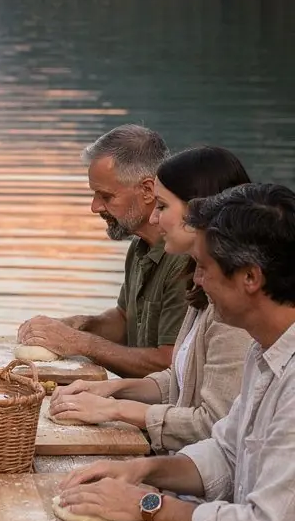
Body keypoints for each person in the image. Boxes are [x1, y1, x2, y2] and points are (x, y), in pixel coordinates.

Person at [56, 183, 295, 521]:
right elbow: (224, 451)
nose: (197, 279)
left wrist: (148, 505)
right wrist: (141, 469)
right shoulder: (267, 353)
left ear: (251, 278)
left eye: (206, 268)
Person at [50, 147, 252, 451]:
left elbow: (214, 426)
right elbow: (181, 380)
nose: (155, 219)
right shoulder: (201, 288)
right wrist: (111, 388)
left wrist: (116, 409)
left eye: (162, 206)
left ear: (198, 214)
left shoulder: (233, 312)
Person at [18, 125, 190, 375]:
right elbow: (124, 319)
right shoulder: (139, 247)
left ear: (147, 190)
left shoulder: (183, 258)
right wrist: (77, 325)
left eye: (106, 196)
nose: (95, 207)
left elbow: (170, 364)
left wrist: (80, 343)